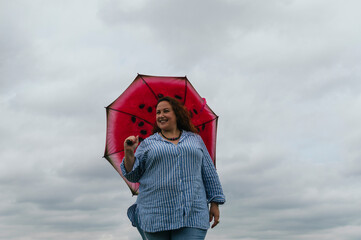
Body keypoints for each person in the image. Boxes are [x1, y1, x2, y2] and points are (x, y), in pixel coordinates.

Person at [120, 96, 225, 240]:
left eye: (166, 111)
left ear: (177, 114)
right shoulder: (147, 144)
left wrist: (215, 202)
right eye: (158, 112)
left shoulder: (195, 140)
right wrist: (129, 152)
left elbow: (209, 172)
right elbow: (133, 175)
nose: (161, 115)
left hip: (192, 212)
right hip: (155, 214)